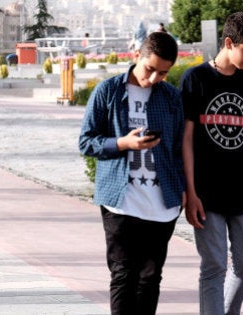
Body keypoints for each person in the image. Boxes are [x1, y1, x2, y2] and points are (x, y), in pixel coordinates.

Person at [78, 31, 184, 315]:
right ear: (137, 55)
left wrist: (184, 191)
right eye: (150, 69)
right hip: (119, 200)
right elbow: (86, 142)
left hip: (162, 203)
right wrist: (123, 143)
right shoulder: (108, 91)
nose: (153, 79)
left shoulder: (171, 98)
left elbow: (178, 150)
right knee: (124, 275)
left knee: (150, 278)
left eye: (163, 73)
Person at [179, 12, 243, 314]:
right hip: (206, 195)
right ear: (229, 42)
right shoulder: (196, 79)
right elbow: (187, 140)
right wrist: (190, 192)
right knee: (214, 266)